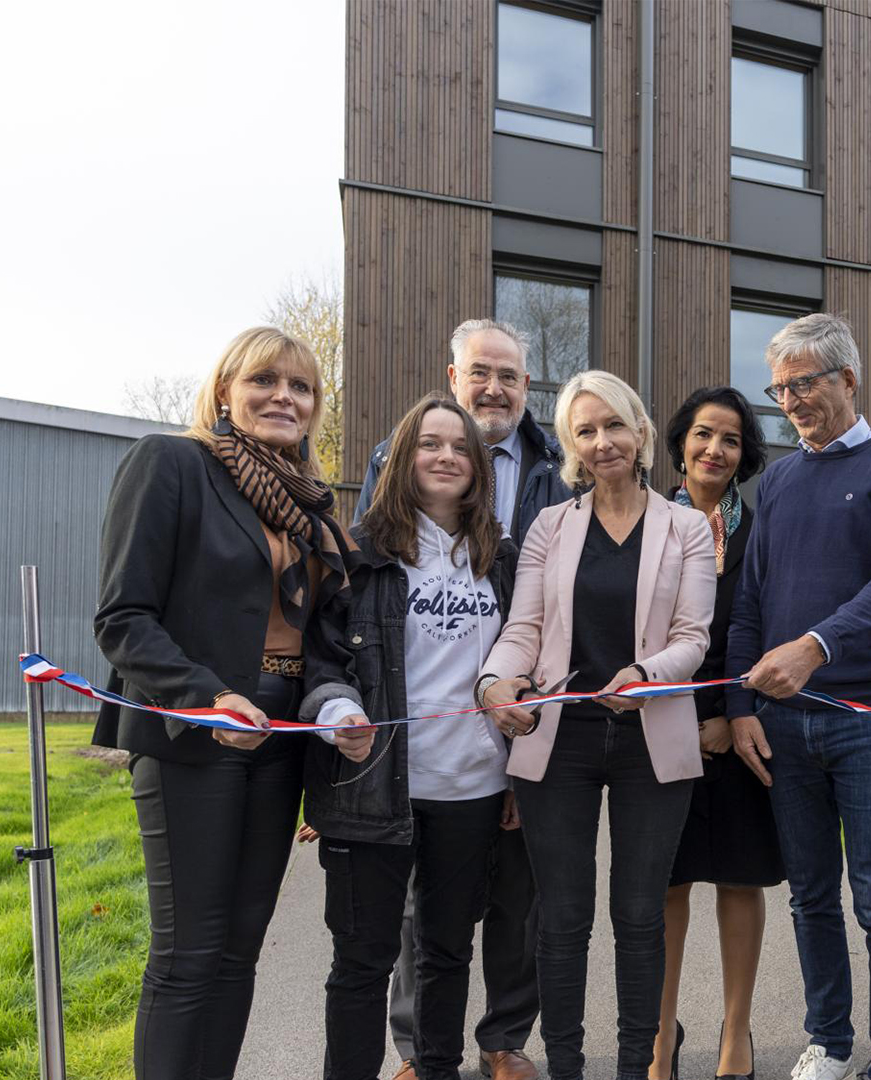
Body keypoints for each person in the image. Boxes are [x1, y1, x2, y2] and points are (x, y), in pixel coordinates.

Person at [93, 326, 356, 1080]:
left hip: (282, 738)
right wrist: (209, 697)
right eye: (264, 381)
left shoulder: (308, 502)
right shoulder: (172, 464)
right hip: (196, 733)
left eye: (301, 386)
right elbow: (122, 617)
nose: (284, 396)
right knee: (189, 951)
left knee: (242, 948)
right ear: (223, 394)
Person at [477, 370, 716, 1080]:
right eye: (586, 430)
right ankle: (567, 1067)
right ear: (570, 446)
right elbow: (524, 628)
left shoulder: (686, 526)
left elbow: (694, 635)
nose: (603, 441)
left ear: (640, 432)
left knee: (640, 918)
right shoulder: (550, 525)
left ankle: (640, 1066)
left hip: (652, 736)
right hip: (562, 740)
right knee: (562, 918)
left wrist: (647, 675)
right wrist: (495, 682)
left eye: (614, 424)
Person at [353, 318, 568, 1080]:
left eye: (510, 375)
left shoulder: (554, 467)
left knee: (519, 903)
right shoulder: (396, 467)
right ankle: (419, 1049)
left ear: (527, 387)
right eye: (482, 371)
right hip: (412, 762)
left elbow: (546, 627)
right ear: (454, 377)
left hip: (502, 745)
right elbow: (362, 633)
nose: (495, 387)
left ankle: (504, 1040)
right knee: (420, 921)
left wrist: (525, 750)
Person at [725, 313, 871, 1080]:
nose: (789, 401)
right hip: (783, 725)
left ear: (848, 379)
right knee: (811, 894)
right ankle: (831, 1042)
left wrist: (816, 648)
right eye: (779, 388)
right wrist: (744, 708)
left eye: (803, 383)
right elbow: (750, 600)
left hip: (869, 720)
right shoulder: (774, 480)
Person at [300, 395, 516, 1080]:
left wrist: (516, 765)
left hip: (472, 787)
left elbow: (524, 659)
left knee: (447, 951)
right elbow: (322, 659)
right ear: (401, 459)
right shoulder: (359, 553)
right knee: (363, 961)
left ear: (479, 466)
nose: (447, 456)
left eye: (461, 447)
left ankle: (438, 1070)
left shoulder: (499, 557)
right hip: (374, 789)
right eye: (430, 443)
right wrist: (336, 714)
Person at [649, 387, 783, 1080]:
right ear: (680, 442)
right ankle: (659, 1034)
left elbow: (769, 626)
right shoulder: (644, 523)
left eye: (730, 440)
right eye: (703, 434)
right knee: (665, 885)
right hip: (658, 729)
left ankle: (737, 1032)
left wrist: (734, 718)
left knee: (739, 878)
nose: (714, 449)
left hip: (741, 726)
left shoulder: (761, 532)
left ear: (744, 455)